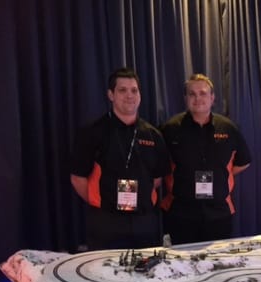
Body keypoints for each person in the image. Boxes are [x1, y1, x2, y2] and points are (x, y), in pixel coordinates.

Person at [70, 67, 170, 250]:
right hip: (106, 222)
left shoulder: (153, 135)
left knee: (147, 267)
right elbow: (78, 178)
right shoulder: (92, 132)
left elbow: (156, 179)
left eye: (134, 90)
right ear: (111, 95)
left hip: (144, 222)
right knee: (104, 268)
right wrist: (101, 202)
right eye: (122, 90)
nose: (129, 95)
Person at [160, 73, 251, 245]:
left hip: (219, 214)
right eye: (192, 94)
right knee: (180, 261)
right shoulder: (170, 129)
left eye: (203, 93)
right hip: (181, 214)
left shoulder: (228, 128)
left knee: (218, 260)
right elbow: (159, 166)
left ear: (212, 97)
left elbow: (244, 162)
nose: (198, 98)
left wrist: (221, 174)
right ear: (185, 98)